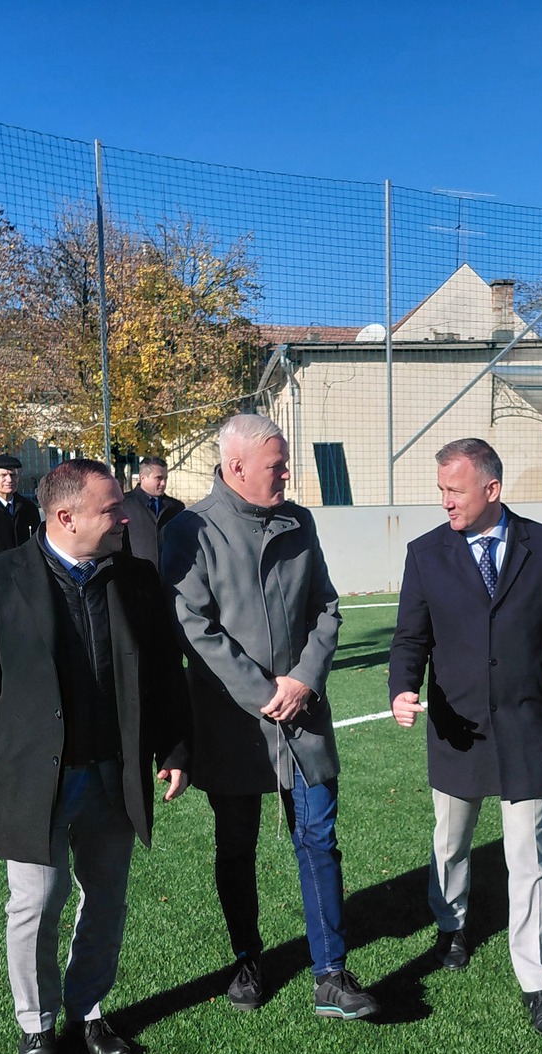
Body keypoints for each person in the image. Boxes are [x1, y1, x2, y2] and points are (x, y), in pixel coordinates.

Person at [0, 459, 193, 1054]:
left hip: (113, 773)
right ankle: (37, 1027)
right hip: (33, 778)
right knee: (37, 902)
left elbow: (163, 671)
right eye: (112, 509)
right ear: (66, 516)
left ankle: (89, 1012)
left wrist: (175, 748)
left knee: (106, 900)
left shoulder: (135, 577)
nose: (124, 518)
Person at [160, 414, 378, 1020]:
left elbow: (326, 608)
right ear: (236, 468)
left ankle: (331, 973)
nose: (286, 475)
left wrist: (304, 679)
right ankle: (247, 960)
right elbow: (192, 627)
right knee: (236, 845)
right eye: (276, 466)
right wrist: (263, 692)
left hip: (303, 718)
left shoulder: (299, 521)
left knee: (319, 839)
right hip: (232, 726)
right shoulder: (190, 530)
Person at [388, 438, 542, 1039]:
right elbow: (410, 638)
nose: (445, 501)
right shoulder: (425, 553)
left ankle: (538, 981)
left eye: (454, 490)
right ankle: (451, 924)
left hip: (526, 729)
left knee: (529, 859)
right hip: (455, 729)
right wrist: (401, 689)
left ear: (492, 489)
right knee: (451, 843)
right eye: (441, 490)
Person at [119, 456, 185, 566]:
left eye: (165, 478)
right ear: (142, 478)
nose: (163, 483)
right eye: (158, 478)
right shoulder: (125, 504)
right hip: (135, 572)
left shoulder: (176, 507)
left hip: (171, 572)